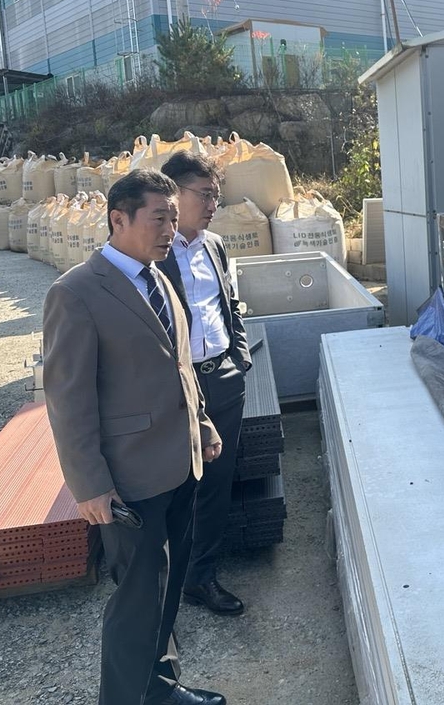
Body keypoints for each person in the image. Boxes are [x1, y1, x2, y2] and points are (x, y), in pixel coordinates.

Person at [42, 169, 227, 705]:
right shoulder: (76, 292)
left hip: (181, 462)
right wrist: (90, 486)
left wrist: (203, 425)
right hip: (130, 478)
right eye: (159, 218)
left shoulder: (158, 277)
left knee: (165, 590)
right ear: (118, 219)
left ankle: (160, 687)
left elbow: (181, 366)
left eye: (173, 217)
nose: (170, 229)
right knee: (138, 599)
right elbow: (68, 401)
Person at [158, 151, 253, 616]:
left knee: (217, 482)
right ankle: (162, 575)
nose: (213, 204)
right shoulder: (154, 251)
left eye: (217, 196)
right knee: (176, 482)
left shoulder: (215, 245)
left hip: (223, 379)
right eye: (205, 195)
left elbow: (229, 304)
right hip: (177, 386)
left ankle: (201, 577)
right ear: (173, 194)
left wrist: (240, 356)